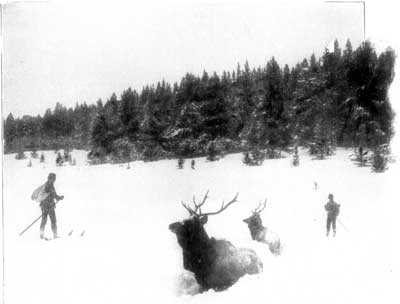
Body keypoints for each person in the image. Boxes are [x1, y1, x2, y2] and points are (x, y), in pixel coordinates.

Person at [39, 173, 64, 239]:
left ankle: (41, 234)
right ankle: (55, 235)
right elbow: (55, 196)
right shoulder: (50, 186)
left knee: (44, 220)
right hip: (49, 206)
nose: (54, 180)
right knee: (53, 221)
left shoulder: (45, 185)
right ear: (52, 179)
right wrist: (60, 198)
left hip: (43, 206)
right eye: (54, 179)